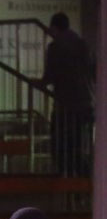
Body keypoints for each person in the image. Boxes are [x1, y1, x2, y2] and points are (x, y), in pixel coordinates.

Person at [40, 12, 94, 176]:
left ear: (54, 28)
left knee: (60, 146)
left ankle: (68, 181)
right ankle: (83, 185)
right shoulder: (83, 44)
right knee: (78, 146)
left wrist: (39, 82)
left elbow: (50, 76)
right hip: (85, 103)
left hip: (66, 105)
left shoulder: (56, 47)